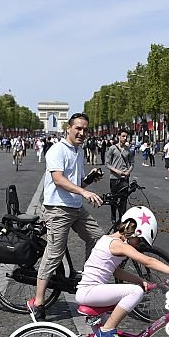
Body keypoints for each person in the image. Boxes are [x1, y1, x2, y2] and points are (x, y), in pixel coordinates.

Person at [77, 206, 169, 337]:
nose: (138, 245)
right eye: (139, 241)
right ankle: (107, 331)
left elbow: (116, 272)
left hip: (89, 291)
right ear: (136, 231)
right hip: (90, 292)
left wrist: (140, 280)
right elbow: (148, 261)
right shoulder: (118, 244)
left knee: (100, 332)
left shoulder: (108, 240)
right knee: (134, 292)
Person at [26, 113, 105, 321]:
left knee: (98, 238)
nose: (81, 132)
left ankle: (88, 284)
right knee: (54, 254)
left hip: (76, 207)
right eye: (78, 128)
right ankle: (38, 302)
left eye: (85, 129)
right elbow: (59, 180)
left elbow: (77, 183)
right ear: (68, 128)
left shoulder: (79, 151)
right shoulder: (57, 150)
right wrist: (84, 192)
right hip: (57, 209)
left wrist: (89, 181)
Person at [105, 130, 134, 223]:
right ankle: (113, 216)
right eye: (123, 136)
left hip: (125, 178)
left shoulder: (128, 150)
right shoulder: (112, 148)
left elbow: (132, 163)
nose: (125, 138)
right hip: (114, 178)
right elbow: (107, 163)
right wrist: (116, 171)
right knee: (114, 198)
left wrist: (129, 171)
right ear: (118, 137)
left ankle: (122, 218)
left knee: (124, 199)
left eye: (126, 137)